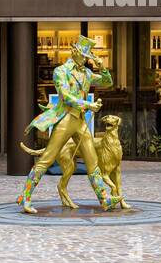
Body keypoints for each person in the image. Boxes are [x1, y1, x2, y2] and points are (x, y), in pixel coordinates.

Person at [18, 35, 113, 213]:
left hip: (80, 121)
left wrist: (102, 67)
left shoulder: (86, 73)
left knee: (92, 161)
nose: (86, 59)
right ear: (75, 52)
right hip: (66, 119)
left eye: (88, 57)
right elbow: (66, 96)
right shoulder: (60, 71)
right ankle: (25, 197)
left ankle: (105, 199)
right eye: (84, 55)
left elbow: (108, 82)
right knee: (47, 158)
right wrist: (88, 105)